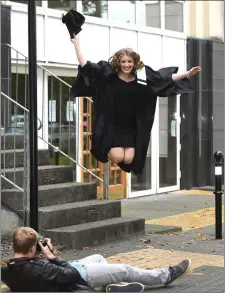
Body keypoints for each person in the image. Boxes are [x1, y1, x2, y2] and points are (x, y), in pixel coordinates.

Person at [70, 34, 201, 174]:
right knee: (118, 156)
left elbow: (164, 80)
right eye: (123, 61)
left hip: (131, 128)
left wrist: (187, 74)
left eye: (130, 61)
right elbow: (87, 67)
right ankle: (102, 148)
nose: (126, 65)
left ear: (135, 63)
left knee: (128, 159)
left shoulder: (142, 78)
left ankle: (117, 154)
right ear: (118, 62)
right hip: (112, 126)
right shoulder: (109, 77)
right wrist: (76, 44)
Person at [1, 227, 191, 292]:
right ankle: (165, 276)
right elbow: (71, 274)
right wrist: (52, 256)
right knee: (126, 269)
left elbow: (32, 271)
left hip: (65, 271)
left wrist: (42, 257)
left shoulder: (8, 269)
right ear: (33, 247)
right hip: (81, 276)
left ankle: (112, 287)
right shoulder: (40, 267)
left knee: (99, 257)